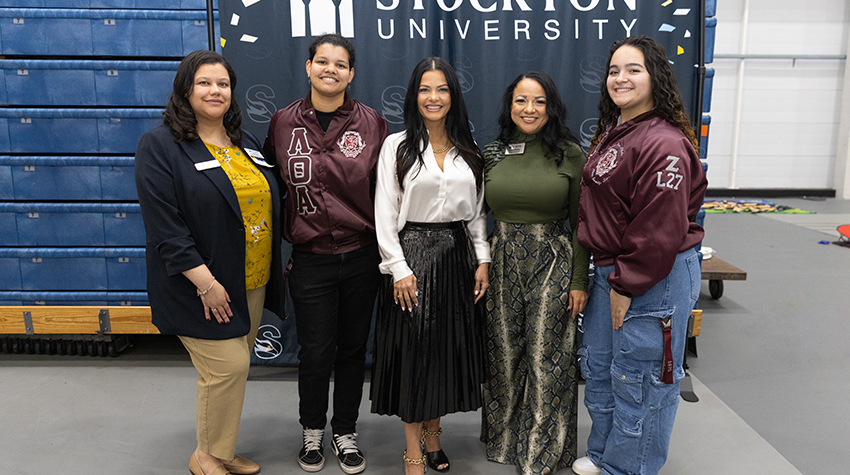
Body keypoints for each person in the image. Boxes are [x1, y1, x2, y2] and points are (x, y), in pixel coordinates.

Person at [135, 50, 285, 475]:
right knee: (227, 368)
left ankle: (221, 448)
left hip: (250, 278)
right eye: (204, 82)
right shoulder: (161, 146)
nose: (215, 90)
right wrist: (206, 283)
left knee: (235, 370)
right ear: (185, 90)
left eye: (222, 83)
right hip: (200, 285)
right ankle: (204, 457)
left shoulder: (245, 142)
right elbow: (166, 228)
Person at [571, 35, 708, 475]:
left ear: (656, 77)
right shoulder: (617, 131)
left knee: (642, 379)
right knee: (602, 368)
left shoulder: (664, 142)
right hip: (610, 270)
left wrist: (628, 283)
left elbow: (659, 226)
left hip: (651, 277)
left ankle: (630, 468)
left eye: (633, 69)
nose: (620, 78)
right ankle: (605, 455)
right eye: (614, 70)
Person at [262, 33, 388, 475]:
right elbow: (271, 186)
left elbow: (387, 191)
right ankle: (312, 430)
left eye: (339, 64)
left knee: (352, 350)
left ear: (351, 74)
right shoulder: (282, 122)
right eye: (322, 61)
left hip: (361, 256)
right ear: (309, 67)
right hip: (310, 257)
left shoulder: (373, 123)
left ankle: (345, 431)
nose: (330, 69)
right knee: (315, 351)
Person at [370, 57, 490, 475]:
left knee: (444, 353)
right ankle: (412, 451)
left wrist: (482, 259)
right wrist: (398, 268)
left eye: (442, 89)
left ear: (453, 96)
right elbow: (384, 212)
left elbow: (477, 214)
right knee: (414, 355)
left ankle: (434, 436)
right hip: (411, 256)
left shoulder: (469, 149)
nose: (433, 97)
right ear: (414, 95)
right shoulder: (396, 146)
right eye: (425, 89)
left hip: (457, 257)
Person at [479, 71, 590, 475]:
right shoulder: (492, 153)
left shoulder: (570, 154)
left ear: (551, 107)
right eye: (521, 100)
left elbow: (581, 223)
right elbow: (474, 216)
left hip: (552, 259)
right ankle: (505, 441)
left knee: (547, 357)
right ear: (510, 106)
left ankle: (541, 453)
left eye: (539, 101)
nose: (530, 109)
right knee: (502, 355)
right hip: (502, 258)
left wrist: (579, 280)